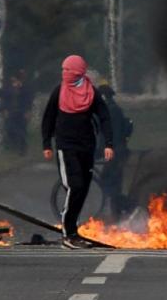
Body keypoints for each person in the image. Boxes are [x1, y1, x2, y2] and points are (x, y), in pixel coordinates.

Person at [41, 55, 114, 248]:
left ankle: (74, 232)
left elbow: (105, 117)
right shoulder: (59, 92)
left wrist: (109, 143)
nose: (64, 73)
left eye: (68, 70)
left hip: (87, 147)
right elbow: (48, 118)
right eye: (62, 70)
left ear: (78, 72)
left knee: (83, 189)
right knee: (75, 186)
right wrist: (46, 144)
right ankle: (69, 234)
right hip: (66, 147)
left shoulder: (91, 93)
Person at [96, 78, 135, 219]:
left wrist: (96, 153)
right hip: (119, 151)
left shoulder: (109, 112)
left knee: (109, 181)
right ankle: (117, 211)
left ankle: (127, 208)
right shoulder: (114, 109)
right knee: (113, 182)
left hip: (115, 152)